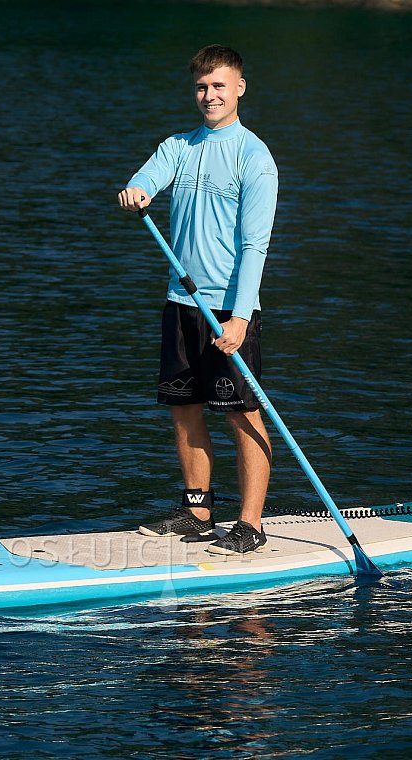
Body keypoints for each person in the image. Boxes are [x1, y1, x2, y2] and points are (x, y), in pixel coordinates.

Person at [117, 44, 278, 556]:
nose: (209, 96)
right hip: (180, 304)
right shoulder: (178, 147)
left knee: (242, 415)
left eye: (219, 87)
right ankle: (198, 513)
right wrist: (137, 190)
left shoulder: (255, 157)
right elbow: (147, 178)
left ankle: (250, 523)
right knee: (184, 410)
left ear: (240, 89)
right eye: (202, 88)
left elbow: (256, 246)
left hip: (229, 312)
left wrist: (239, 316)